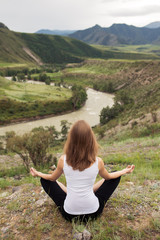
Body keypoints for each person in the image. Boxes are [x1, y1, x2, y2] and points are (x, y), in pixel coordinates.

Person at [30, 120, 135, 222]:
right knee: (114, 175)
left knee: (45, 180)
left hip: (69, 215)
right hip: (94, 213)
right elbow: (108, 178)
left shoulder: (63, 160)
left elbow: (52, 179)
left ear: (71, 139)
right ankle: (85, 191)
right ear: (91, 139)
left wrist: (38, 173)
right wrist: (123, 171)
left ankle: (74, 192)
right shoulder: (98, 161)